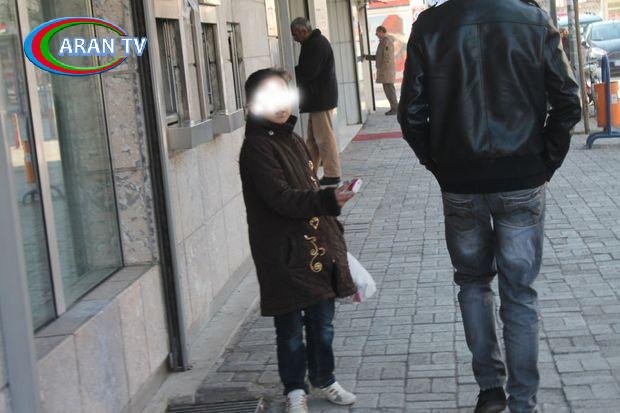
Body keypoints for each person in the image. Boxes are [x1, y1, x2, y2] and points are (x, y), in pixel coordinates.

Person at [398, 1, 581, 413]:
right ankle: (523, 402)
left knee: (472, 283)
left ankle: (490, 390)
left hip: (461, 180)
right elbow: (568, 100)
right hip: (521, 175)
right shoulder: (532, 20)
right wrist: (545, 162)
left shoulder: (431, 25)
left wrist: (441, 164)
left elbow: (411, 114)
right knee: (519, 293)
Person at [239, 68, 358, 413]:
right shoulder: (257, 148)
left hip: (315, 248)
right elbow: (281, 199)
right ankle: (294, 389)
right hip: (283, 254)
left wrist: (330, 211)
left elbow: (307, 188)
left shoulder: (291, 139)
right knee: (290, 329)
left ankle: (325, 379)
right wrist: (327, 199)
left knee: (323, 324)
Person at [290, 17, 342, 187]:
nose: (294, 38)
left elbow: (308, 72)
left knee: (324, 138)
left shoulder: (316, 44)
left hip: (321, 99)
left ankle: (332, 174)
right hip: (318, 99)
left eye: (295, 34)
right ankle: (308, 174)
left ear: (303, 31)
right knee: (312, 140)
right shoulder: (313, 43)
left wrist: (289, 73)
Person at [364, 26, 398, 115]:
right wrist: (367, 57)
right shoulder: (383, 41)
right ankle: (394, 108)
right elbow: (380, 57)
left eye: (377, 32)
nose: (376, 34)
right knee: (388, 89)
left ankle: (395, 108)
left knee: (389, 90)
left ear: (382, 32)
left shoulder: (387, 41)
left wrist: (383, 69)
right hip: (385, 71)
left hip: (386, 71)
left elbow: (387, 57)